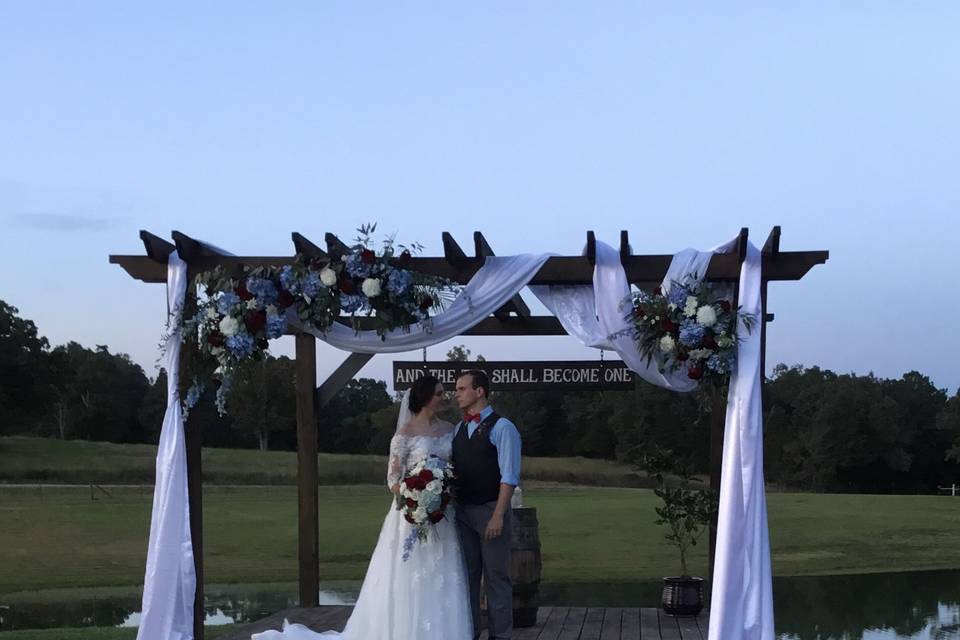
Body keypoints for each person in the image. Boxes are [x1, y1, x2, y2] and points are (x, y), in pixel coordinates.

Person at [252, 374, 473, 640]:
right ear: (425, 398)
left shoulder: (449, 429)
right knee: (408, 574)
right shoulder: (404, 435)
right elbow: (393, 479)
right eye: (439, 393)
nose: (444, 397)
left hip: (443, 514)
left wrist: (441, 494)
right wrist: (415, 495)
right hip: (411, 513)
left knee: (442, 571)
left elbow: (456, 467)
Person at [452, 369, 522, 640]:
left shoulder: (503, 427)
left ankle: (500, 636)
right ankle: (469, 633)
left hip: (490, 510)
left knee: (496, 578)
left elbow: (509, 476)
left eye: (461, 388)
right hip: (462, 514)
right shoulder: (459, 428)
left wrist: (498, 515)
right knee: (467, 578)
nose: (456, 393)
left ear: (479, 391)